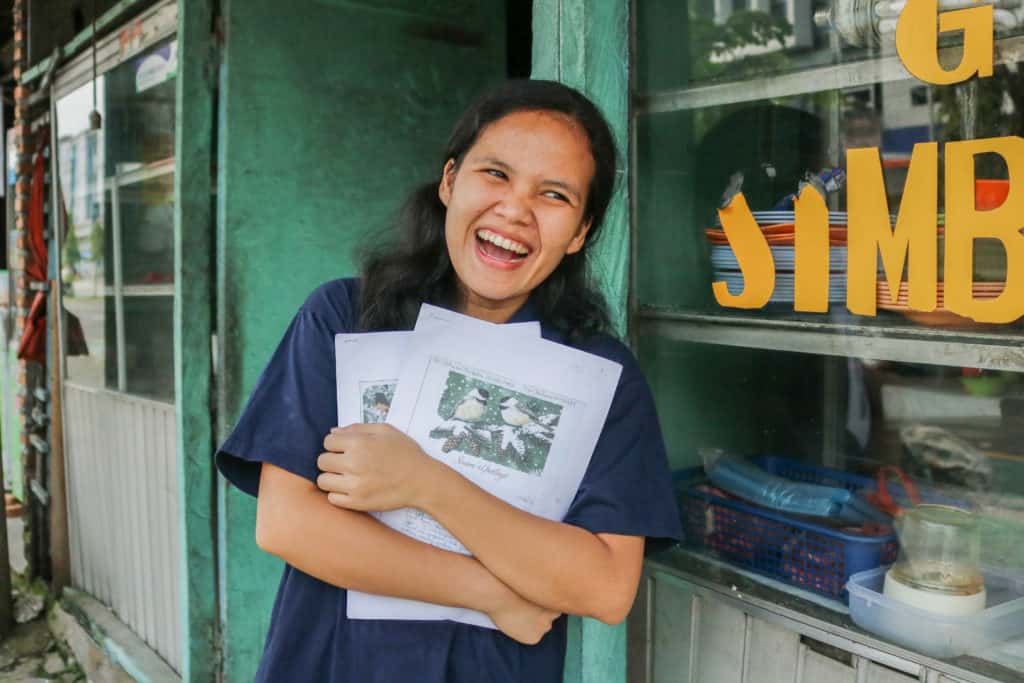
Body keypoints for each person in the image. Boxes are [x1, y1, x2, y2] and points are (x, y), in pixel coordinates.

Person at [215, 79, 683, 682]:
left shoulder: (600, 377)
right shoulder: (343, 319)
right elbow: (288, 524)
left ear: (581, 232)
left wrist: (425, 482)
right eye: (495, 174)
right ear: (449, 181)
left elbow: (606, 586)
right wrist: (493, 593)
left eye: (554, 194)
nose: (515, 209)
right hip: (331, 663)